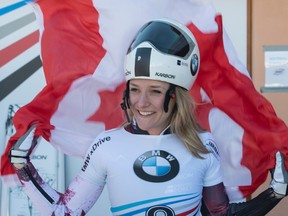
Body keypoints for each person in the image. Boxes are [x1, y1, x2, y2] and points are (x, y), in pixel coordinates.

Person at [9, 18, 288, 216]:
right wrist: (22, 166)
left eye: (155, 91)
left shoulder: (204, 146)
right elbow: (66, 211)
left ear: (175, 97)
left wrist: (275, 192)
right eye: (134, 90)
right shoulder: (106, 145)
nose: (141, 102)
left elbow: (220, 215)